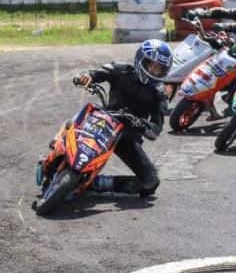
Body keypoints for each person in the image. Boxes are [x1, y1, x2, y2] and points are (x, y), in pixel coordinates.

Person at [70, 40, 172, 197]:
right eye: (151, 65)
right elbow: (98, 72)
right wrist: (87, 76)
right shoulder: (120, 69)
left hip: (127, 137)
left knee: (151, 182)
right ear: (141, 59)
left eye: (160, 69)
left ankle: (98, 183)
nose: (154, 71)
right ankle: (52, 156)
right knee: (74, 123)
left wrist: (143, 125)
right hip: (103, 121)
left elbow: (156, 129)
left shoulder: (160, 93)